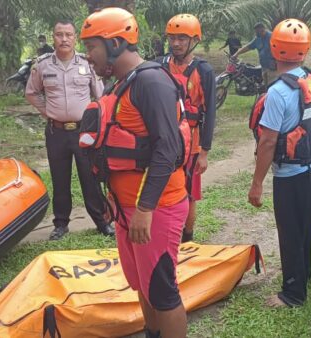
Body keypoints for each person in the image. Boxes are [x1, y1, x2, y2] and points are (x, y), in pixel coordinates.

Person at [80, 7, 189, 338]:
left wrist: (145, 209)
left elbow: (167, 150)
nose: (88, 56)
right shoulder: (121, 84)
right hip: (128, 208)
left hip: (157, 208)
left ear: (114, 44)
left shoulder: (151, 82)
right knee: (141, 283)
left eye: (91, 47)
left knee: (161, 288)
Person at [248, 18, 311, 308]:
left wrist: (256, 184)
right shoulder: (309, 78)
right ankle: (305, 273)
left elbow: (267, 142)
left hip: (289, 174)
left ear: (274, 48)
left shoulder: (278, 91)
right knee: (304, 226)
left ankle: (293, 293)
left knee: (289, 231)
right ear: (305, 50)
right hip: (310, 167)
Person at [25, 20, 114, 240]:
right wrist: (48, 112)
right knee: (60, 178)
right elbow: (31, 92)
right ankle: (61, 224)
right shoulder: (42, 65)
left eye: (68, 35)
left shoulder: (87, 63)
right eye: (59, 35)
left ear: (75, 38)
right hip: (56, 133)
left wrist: (97, 121)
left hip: (84, 131)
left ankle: (102, 221)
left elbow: (101, 95)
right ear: (52, 37)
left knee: (90, 177)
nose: (64, 39)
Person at [159, 14, 217, 243]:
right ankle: (164, 233)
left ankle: (187, 238)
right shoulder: (159, 65)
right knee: (161, 188)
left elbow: (210, 111)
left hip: (191, 143)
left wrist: (204, 152)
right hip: (163, 140)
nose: (176, 43)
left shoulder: (203, 70)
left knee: (188, 194)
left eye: (182, 38)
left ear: (194, 40)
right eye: (172, 38)